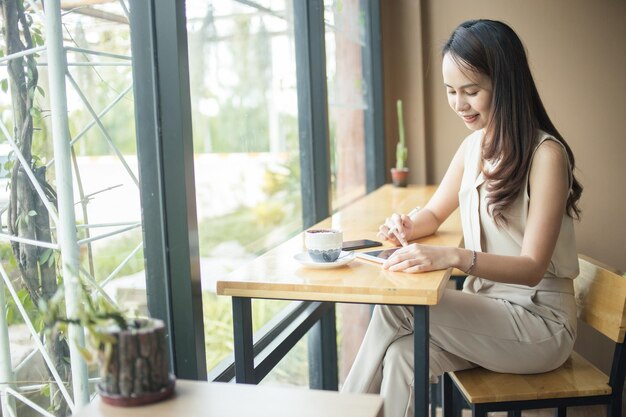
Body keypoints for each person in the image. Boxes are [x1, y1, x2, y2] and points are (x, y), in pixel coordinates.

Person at [341, 19, 583, 417]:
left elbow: (532, 268)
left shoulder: (546, 156)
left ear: (504, 84)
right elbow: (435, 212)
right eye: (451, 91)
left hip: (539, 325)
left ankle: (344, 411)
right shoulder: (474, 147)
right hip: (488, 309)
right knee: (403, 355)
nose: (459, 103)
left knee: (396, 305)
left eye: (472, 91)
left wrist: (452, 257)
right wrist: (406, 225)